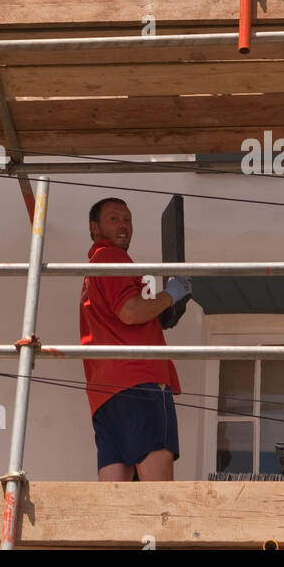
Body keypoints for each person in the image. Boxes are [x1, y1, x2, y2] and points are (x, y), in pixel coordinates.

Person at [80, 197, 192, 481]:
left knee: (116, 492)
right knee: (158, 488)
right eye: (114, 219)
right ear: (95, 228)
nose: (124, 226)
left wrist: (162, 309)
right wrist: (170, 295)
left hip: (106, 393)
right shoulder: (111, 258)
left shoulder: (93, 269)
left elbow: (130, 314)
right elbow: (130, 312)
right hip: (140, 381)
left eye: (128, 220)